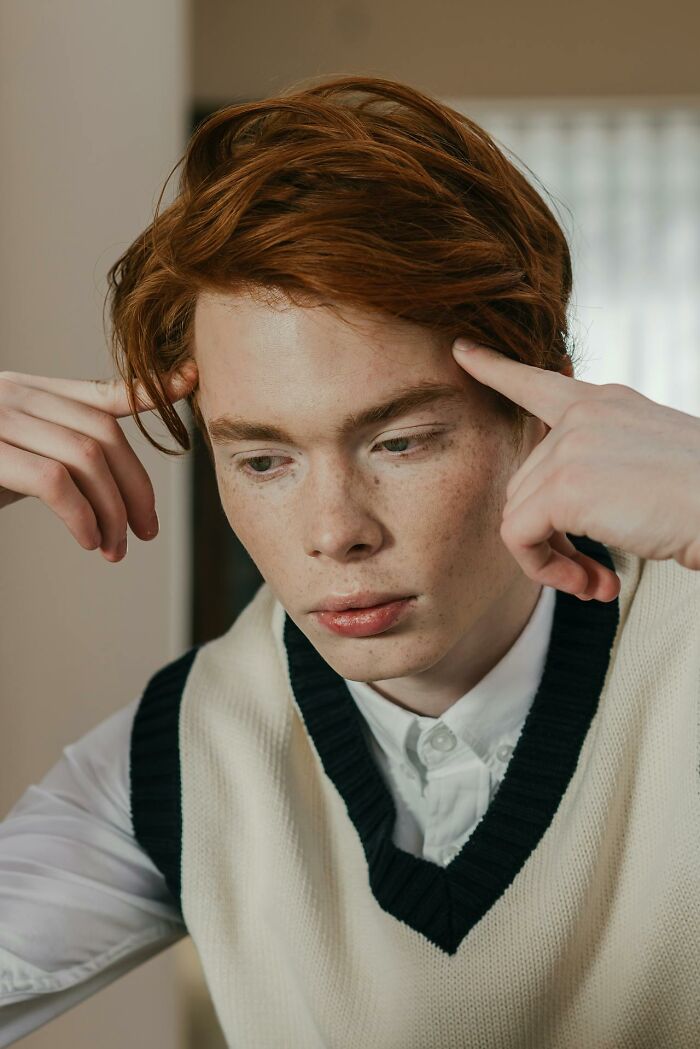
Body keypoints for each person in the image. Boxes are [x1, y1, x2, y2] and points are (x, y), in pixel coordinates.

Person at [1, 73, 699, 1049]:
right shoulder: (187, 750)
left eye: (400, 441)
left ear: (541, 411)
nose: (334, 530)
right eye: (263, 458)